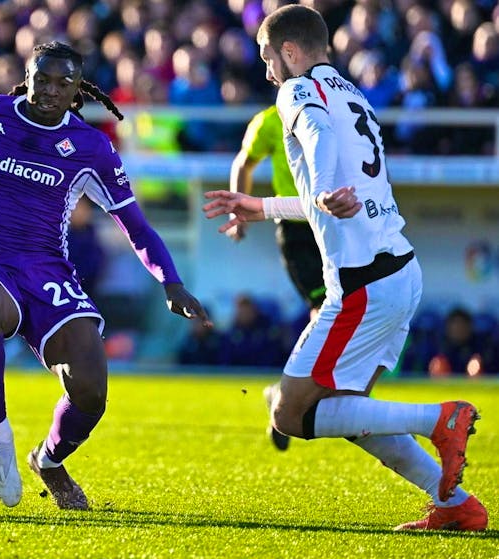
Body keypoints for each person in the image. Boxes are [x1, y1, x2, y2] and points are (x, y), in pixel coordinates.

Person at [202, 5, 486, 532]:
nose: (267, 70)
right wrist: (264, 206)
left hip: (364, 284)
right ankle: (456, 505)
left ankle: (439, 418)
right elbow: (331, 197)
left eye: (267, 57)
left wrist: (326, 188)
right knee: (348, 410)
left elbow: (318, 142)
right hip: (399, 272)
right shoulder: (352, 94)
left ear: (289, 51)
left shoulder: (297, 90)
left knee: (289, 413)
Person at [0, 41, 211, 510]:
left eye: (63, 83)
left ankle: (48, 460)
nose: (50, 90)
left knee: (91, 392)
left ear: (77, 91)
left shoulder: (91, 147)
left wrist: (170, 282)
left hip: (47, 267)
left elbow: (135, 225)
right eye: (42, 79)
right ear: (27, 77)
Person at [228, 104, 326, 452]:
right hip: (296, 229)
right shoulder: (269, 121)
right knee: (324, 311)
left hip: (332, 224)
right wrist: (238, 211)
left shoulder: (327, 108)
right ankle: (288, 394)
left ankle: (297, 393)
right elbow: (244, 162)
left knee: (345, 308)